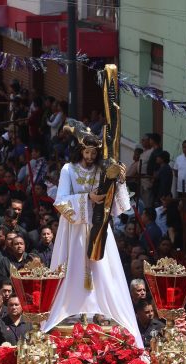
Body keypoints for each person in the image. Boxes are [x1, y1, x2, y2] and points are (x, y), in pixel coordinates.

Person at [44, 129, 143, 347]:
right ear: (80, 151)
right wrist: (87, 197)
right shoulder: (68, 169)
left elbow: (119, 205)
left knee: (102, 268)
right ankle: (71, 308)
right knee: (75, 264)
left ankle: (101, 308)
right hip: (75, 227)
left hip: (98, 225)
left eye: (92, 153)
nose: (89, 157)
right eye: (86, 152)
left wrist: (120, 180)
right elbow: (60, 200)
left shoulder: (102, 169)